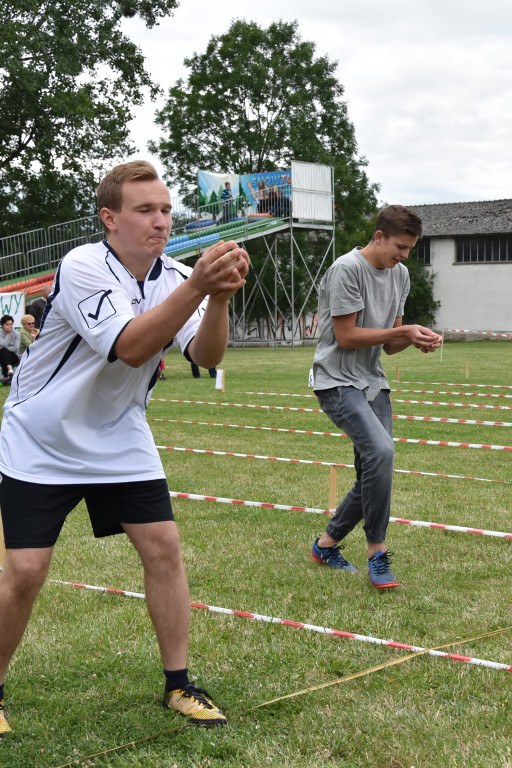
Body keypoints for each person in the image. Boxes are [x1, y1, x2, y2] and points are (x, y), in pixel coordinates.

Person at [0, 160, 250, 736]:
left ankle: (179, 684)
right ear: (110, 219)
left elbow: (207, 358)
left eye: (165, 210)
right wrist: (197, 286)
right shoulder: (83, 265)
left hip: (120, 433)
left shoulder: (176, 276)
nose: (160, 221)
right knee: (27, 570)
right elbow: (131, 348)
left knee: (163, 546)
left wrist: (219, 298)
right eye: (145, 211)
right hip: (41, 436)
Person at [311, 205, 441, 589]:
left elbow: (390, 346)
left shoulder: (399, 275)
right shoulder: (346, 270)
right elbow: (348, 337)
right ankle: (377, 553)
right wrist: (404, 331)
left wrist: (416, 339)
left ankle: (325, 545)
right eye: (400, 247)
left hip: (373, 381)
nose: (404, 256)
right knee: (382, 453)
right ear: (379, 236)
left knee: (374, 468)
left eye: (409, 249)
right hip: (336, 380)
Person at [0, 315, 20, 382]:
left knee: (3, 350)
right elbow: (3, 344)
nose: (9, 326)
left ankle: (6, 376)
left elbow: (16, 348)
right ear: (2, 325)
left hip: (14, 355)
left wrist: (4, 348)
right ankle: (9, 370)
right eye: (7, 324)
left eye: (11, 324)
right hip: (3, 355)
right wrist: (8, 335)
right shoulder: (0, 333)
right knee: (3, 352)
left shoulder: (16, 333)